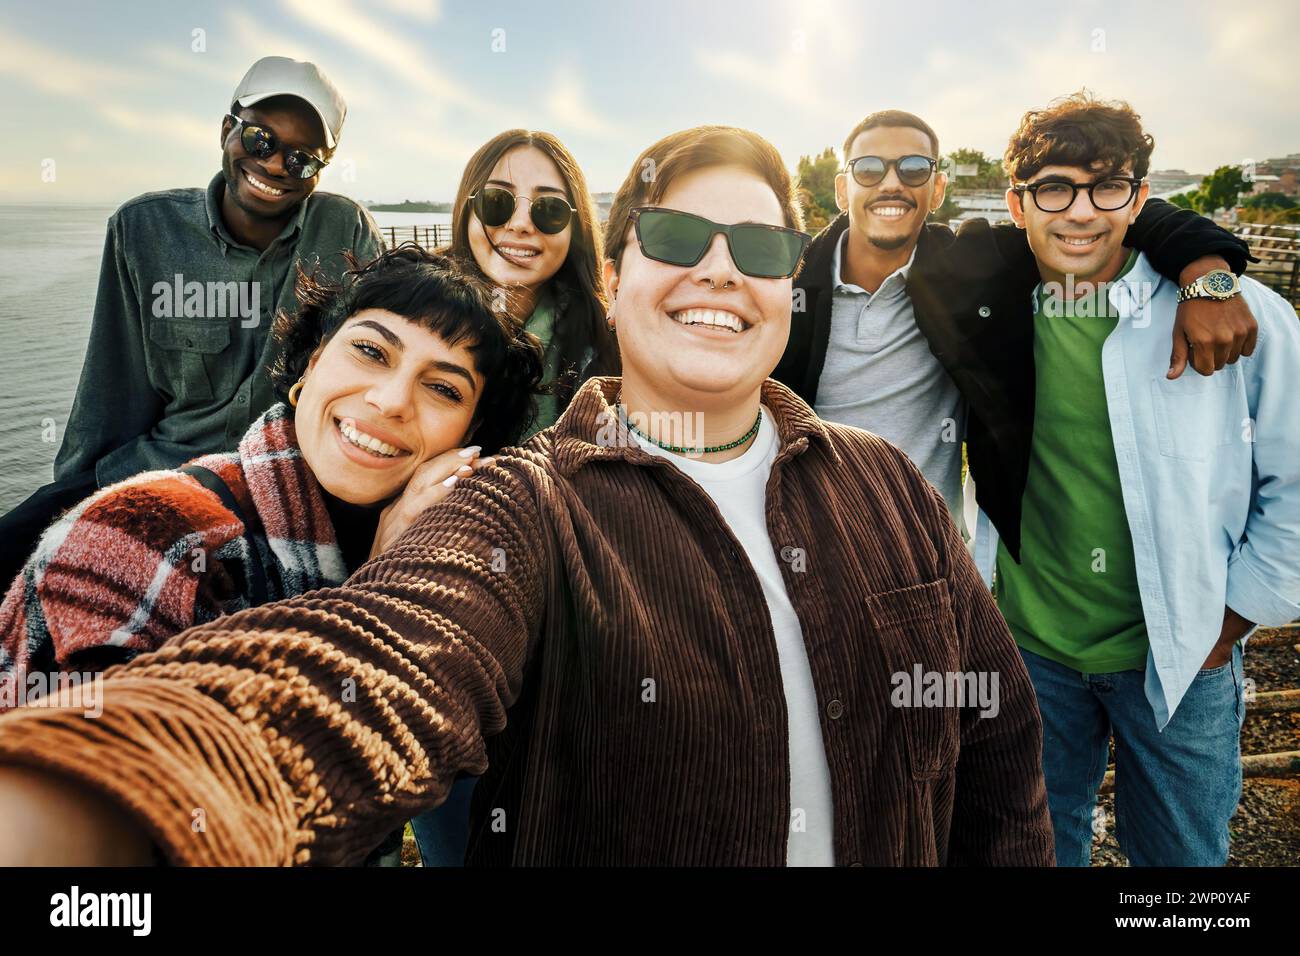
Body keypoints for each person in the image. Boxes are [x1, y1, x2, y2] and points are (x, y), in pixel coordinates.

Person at [0, 126, 1054, 867]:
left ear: (792, 282)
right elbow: (384, 648)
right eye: (680, 238)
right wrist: (107, 792)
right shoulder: (526, 504)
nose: (721, 272)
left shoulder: (885, 485)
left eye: (763, 247)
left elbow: (999, 746)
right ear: (617, 269)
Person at [0, 245, 543, 863]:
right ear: (312, 365)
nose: (392, 400)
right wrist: (373, 596)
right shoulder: (143, 535)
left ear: (467, 441)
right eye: (370, 351)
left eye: (443, 388)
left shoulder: (418, 554)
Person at [991, 92, 1300, 866]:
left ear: (1138, 199)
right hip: (1033, 648)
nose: (1081, 212)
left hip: (1184, 654)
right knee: (1033, 846)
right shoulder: (987, 307)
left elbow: (1294, 483)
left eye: (1107, 187)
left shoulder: (1241, 314)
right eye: (1054, 188)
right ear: (1017, 204)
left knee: (1181, 863)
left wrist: (1228, 622)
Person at [775, 109, 1256, 536]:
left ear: (938, 188)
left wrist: (1206, 275)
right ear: (843, 187)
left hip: (927, 557)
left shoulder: (972, 264)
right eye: (869, 168)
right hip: (800, 539)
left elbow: (1109, 213)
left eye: (915, 168)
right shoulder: (785, 283)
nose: (891, 183)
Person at [0, 55, 383, 588]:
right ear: (228, 130)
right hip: (162, 465)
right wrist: (75, 503)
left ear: (322, 169)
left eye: (300, 159)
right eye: (261, 141)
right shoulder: (143, 229)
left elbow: (380, 360)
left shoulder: (346, 230)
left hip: (283, 484)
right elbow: (112, 383)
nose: (274, 166)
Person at [444, 130, 619, 440]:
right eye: (496, 201)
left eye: (550, 209)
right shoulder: (404, 310)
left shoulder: (609, 343)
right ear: (466, 212)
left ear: (575, 228)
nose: (521, 224)